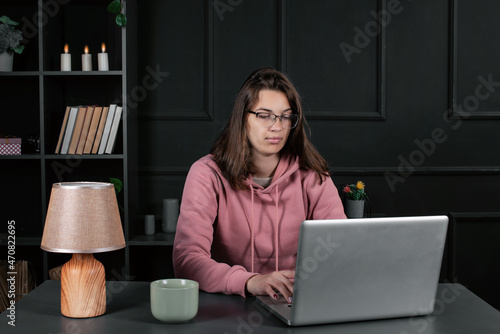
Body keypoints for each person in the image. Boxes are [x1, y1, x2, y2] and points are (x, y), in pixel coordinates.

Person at [172, 67, 346, 303]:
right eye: (264, 115)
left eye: (286, 116)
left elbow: (342, 248)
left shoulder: (313, 174)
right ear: (243, 118)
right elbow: (187, 260)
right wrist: (251, 281)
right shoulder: (206, 174)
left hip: (295, 302)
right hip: (230, 302)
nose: (277, 126)